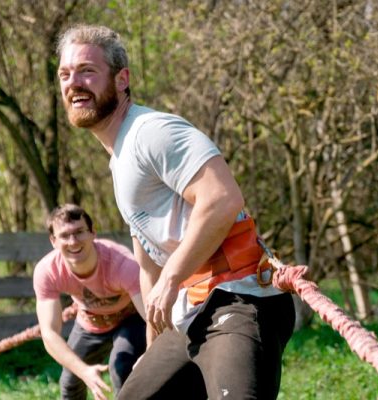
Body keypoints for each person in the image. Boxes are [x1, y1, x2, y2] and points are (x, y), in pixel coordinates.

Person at [56, 24, 296, 400]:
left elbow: (221, 198)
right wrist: (153, 349)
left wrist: (171, 280)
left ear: (122, 80)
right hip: (191, 313)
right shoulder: (119, 158)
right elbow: (148, 261)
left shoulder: (151, 132)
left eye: (87, 70)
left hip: (240, 299)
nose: (74, 82)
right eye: (65, 74)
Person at [33, 204, 146, 400]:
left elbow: (152, 317)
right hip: (90, 321)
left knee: (122, 367)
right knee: (70, 382)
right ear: (53, 241)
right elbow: (49, 333)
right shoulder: (47, 271)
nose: (73, 241)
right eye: (64, 235)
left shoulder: (123, 264)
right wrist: (84, 371)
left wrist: (151, 351)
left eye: (79, 232)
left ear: (93, 233)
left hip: (130, 318)